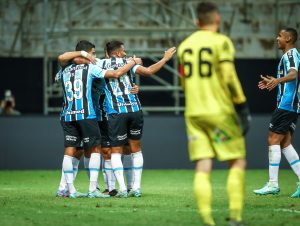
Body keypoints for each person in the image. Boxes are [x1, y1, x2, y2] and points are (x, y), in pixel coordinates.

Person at [178, 2, 250, 226]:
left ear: (197, 22)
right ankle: (235, 217)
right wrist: (242, 106)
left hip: (194, 115)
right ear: (217, 19)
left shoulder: (184, 46)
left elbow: (184, 84)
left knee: (203, 163)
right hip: (219, 113)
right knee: (236, 161)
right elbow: (229, 76)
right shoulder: (221, 42)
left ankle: (208, 220)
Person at [56, 40, 140, 198]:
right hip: (90, 114)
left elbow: (63, 59)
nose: (95, 56)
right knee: (87, 151)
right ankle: (84, 188)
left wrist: (132, 88)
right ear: (88, 53)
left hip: (77, 114)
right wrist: (133, 62)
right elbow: (116, 74)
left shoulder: (66, 69)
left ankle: (104, 187)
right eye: (93, 53)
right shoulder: (92, 66)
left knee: (81, 150)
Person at [102, 41, 176, 198]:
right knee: (136, 149)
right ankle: (136, 188)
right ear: (118, 52)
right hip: (135, 110)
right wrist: (165, 58)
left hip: (116, 112)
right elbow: (149, 71)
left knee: (116, 150)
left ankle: (122, 188)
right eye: (123, 51)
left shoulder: (100, 64)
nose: (125, 53)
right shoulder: (129, 62)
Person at [254, 27, 300, 197]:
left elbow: (294, 74)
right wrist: (273, 83)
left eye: (280, 36)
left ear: (288, 38)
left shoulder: (291, 55)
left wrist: (277, 80)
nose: (277, 38)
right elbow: (291, 80)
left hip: (287, 105)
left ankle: (273, 184)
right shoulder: (289, 56)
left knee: (273, 139)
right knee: (285, 142)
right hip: (291, 105)